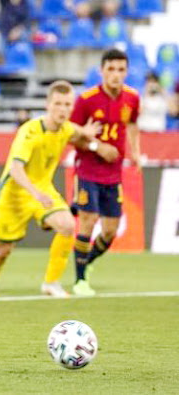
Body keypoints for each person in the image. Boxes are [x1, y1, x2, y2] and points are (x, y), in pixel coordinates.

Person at [0, 80, 119, 298]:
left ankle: (51, 283)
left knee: (67, 225)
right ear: (47, 104)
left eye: (67, 104)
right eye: (58, 104)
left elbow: (77, 133)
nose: (62, 109)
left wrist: (91, 138)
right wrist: (35, 193)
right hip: (15, 194)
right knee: (3, 251)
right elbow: (15, 169)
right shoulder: (30, 132)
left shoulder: (66, 128)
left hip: (43, 190)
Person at [70, 48, 141, 296]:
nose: (116, 75)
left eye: (121, 70)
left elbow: (132, 124)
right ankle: (79, 281)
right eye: (111, 69)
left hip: (114, 174)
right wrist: (96, 146)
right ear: (102, 71)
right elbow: (72, 135)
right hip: (88, 169)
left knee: (110, 231)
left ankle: (86, 262)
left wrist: (136, 153)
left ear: (126, 72)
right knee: (88, 221)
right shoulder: (86, 100)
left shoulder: (132, 97)